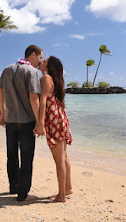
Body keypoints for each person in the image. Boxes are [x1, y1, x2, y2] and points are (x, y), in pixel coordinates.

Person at [0, 45, 44, 201]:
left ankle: (13, 187)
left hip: (10, 120)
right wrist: (39, 122)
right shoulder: (31, 72)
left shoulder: (7, 69)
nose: (40, 61)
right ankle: (22, 194)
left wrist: (2, 113)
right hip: (27, 121)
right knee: (26, 157)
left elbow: (0, 91)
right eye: (40, 57)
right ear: (32, 55)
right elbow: (33, 98)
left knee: (12, 156)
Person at [34, 56, 73, 202]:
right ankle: (68, 188)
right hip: (61, 118)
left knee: (59, 160)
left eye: (44, 61)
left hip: (53, 120)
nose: (41, 62)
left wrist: (40, 124)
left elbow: (43, 101)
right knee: (64, 157)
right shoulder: (56, 81)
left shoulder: (45, 78)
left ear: (49, 67)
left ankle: (61, 195)